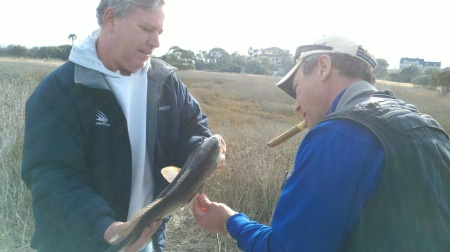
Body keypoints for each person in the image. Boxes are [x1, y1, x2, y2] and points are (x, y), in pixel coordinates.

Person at [192, 35, 450, 251]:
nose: (295, 106)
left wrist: (230, 221)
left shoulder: (339, 134)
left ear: (323, 67)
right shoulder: (427, 125)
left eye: (297, 87)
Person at [21, 0, 211, 251]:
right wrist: (107, 229)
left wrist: (203, 155)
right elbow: (51, 178)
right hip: (78, 242)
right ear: (110, 19)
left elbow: (195, 129)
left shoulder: (165, 82)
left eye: (159, 32)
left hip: (147, 240)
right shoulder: (60, 90)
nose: (156, 42)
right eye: (146, 29)